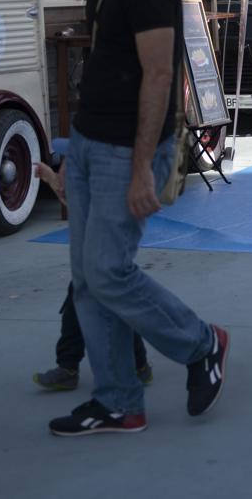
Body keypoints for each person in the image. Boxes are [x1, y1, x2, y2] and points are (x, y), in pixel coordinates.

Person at [45, 0, 227, 437]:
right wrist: (74, 151)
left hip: (128, 152)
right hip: (93, 146)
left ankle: (203, 344)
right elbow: (105, 75)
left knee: (108, 272)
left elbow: (157, 75)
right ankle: (120, 401)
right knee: (86, 278)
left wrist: (143, 167)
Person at [30, 164, 154, 391]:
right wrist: (53, 179)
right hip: (99, 244)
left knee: (112, 301)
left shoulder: (109, 162)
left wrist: (54, 180)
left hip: (108, 243)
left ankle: (137, 364)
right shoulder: (92, 161)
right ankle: (72, 366)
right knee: (83, 298)